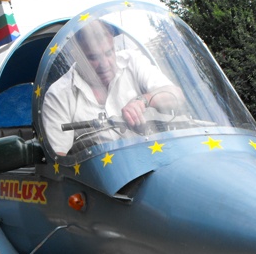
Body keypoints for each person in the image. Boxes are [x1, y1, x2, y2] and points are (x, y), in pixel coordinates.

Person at [42, 20, 184, 155]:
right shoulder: (58, 94)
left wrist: (143, 101)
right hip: (100, 171)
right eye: (93, 57)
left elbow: (176, 96)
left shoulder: (133, 61)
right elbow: (60, 157)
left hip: (156, 157)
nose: (105, 64)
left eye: (109, 53)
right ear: (76, 56)